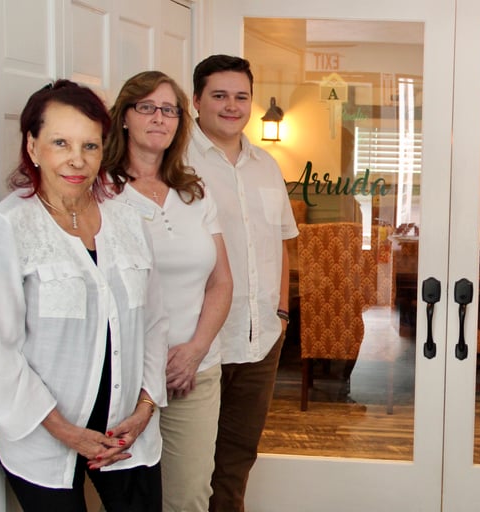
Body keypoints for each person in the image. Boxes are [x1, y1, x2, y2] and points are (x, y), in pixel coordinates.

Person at [0, 80, 167, 511]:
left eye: (90, 146)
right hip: (45, 439)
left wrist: (146, 407)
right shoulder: (6, 227)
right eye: (60, 142)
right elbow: (0, 353)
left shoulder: (129, 221)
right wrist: (67, 432)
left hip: (129, 432)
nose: (77, 160)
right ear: (32, 145)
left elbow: (154, 323)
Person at [104, 70, 233, 511]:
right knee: (124, 499)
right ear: (124, 116)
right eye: (147, 107)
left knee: (189, 498)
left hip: (190, 374)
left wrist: (196, 349)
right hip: (123, 377)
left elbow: (221, 282)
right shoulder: (101, 192)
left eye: (169, 110)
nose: (159, 118)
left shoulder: (193, 190)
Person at [186, 54, 299, 511]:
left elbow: (281, 244)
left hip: (261, 342)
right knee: (191, 469)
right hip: (199, 342)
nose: (232, 106)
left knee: (236, 460)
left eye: (240, 96)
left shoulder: (265, 165)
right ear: (196, 100)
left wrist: (282, 314)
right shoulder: (176, 162)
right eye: (219, 96)